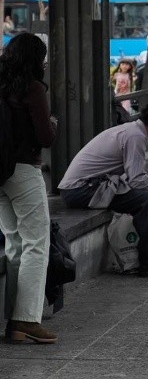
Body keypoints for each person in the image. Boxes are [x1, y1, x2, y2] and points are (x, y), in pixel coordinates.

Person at [58, 100, 148, 278]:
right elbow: (138, 180)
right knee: (145, 200)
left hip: (84, 187)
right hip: (80, 190)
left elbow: (135, 177)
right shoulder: (136, 137)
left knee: (144, 196)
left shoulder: (132, 130)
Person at [0, 32, 58, 344]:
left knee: (14, 244)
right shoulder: (32, 88)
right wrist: (53, 125)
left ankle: (13, 320)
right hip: (23, 170)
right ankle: (26, 320)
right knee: (36, 243)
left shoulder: (2, 85)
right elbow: (45, 138)